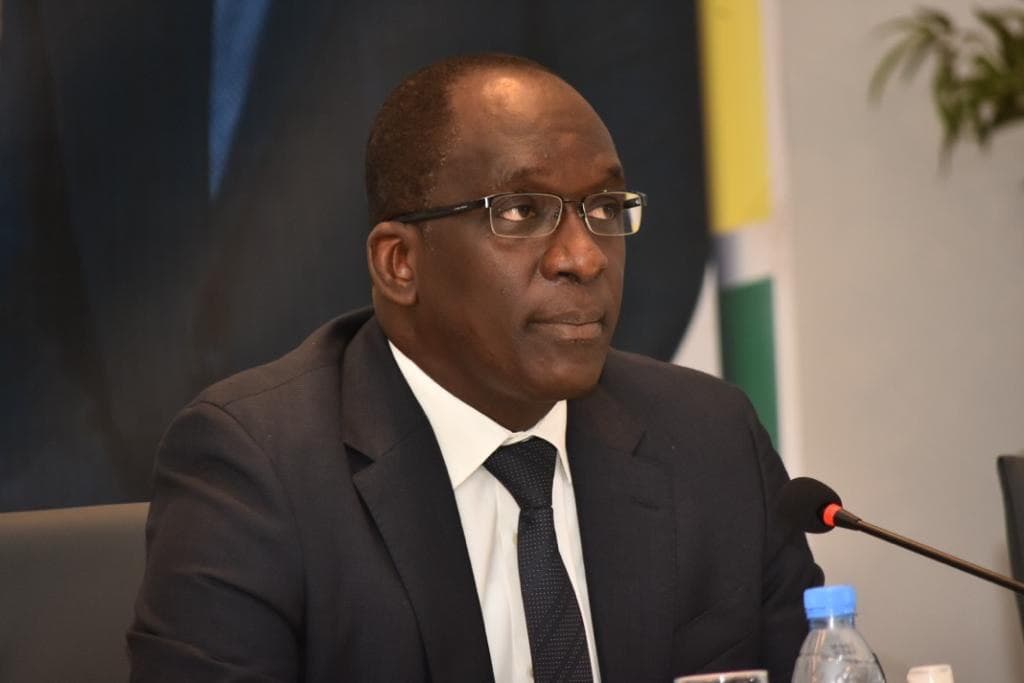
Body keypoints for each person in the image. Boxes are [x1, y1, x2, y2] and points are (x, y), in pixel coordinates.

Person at [128, 53, 822, 682]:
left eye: (605, 208)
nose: (584, 257)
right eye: (522, 211)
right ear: (400, 263)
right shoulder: (259, 471)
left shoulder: (709, 439)